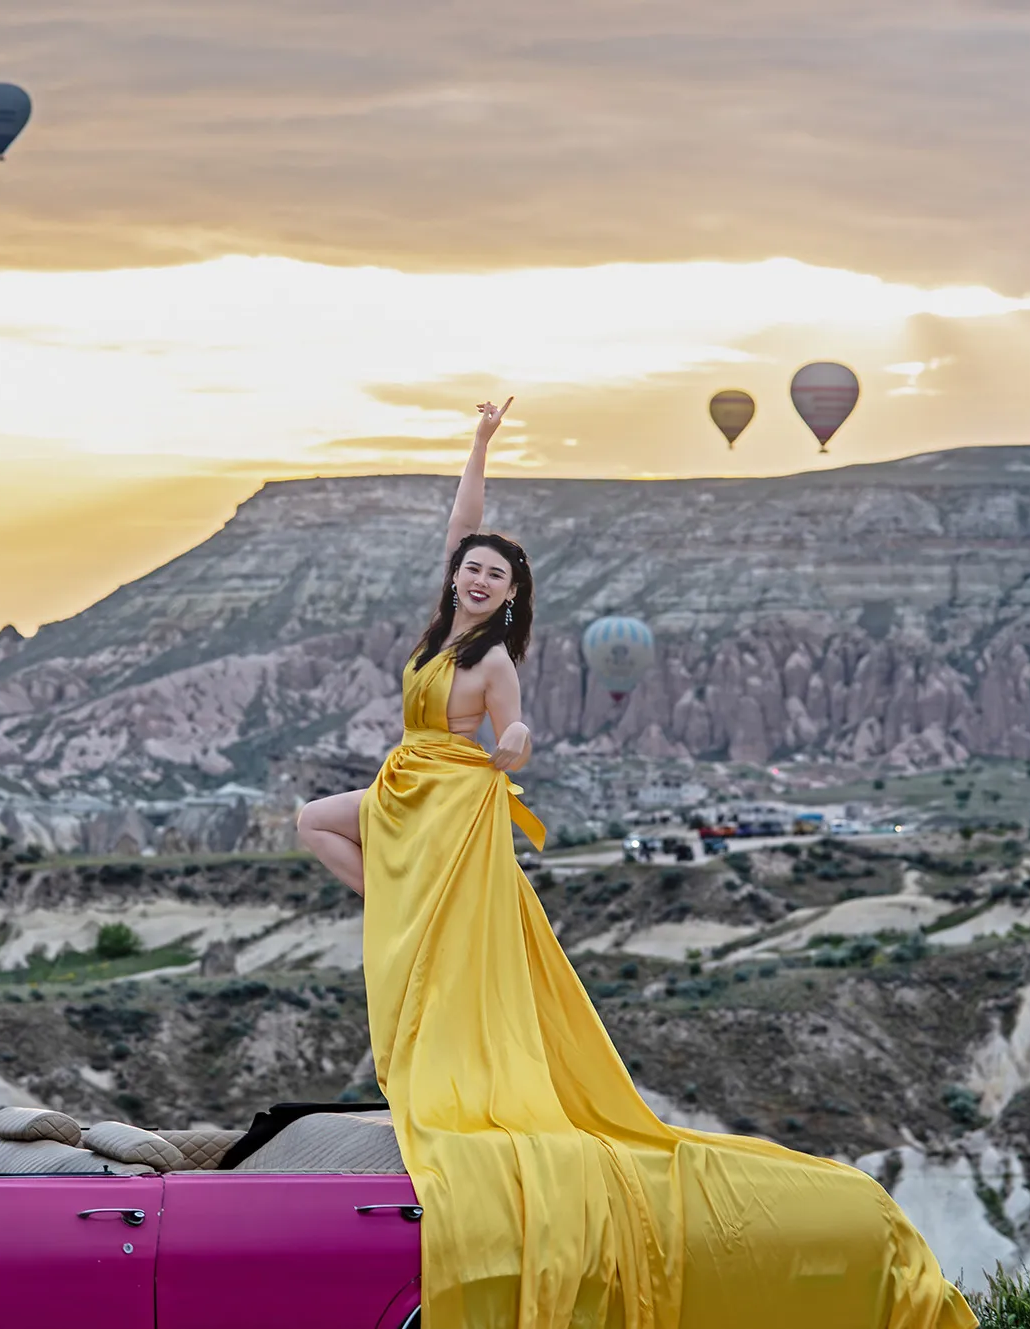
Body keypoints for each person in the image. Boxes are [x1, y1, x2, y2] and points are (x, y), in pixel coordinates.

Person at [297, 400, 974, 1329]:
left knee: (361, 856)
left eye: (496, 573)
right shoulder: (442, 619)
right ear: (457, 574)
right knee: (309, 821)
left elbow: (515, 730)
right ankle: (396, 908)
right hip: (401, 784)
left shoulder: (494, 659)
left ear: (509, 593)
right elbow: (462, 519)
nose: (481, 576)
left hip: (453, 800)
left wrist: (522, 739)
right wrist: (482, 443)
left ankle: (410, 920)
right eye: (473, 566)